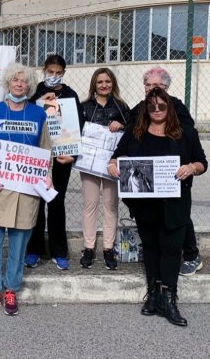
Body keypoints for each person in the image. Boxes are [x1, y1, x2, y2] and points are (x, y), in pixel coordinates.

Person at [109, 87, 207, 327]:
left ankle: (169, 299)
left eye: (162, 106)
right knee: (151, 248)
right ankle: (153, 295)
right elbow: (117, 156)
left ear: (169, 107)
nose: (156, 110)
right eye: (152, 106)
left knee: (172, 249)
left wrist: (191, 168)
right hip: (145, 204)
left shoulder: (186, 134)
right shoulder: (135, 132)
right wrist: (113, 164)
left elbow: (202, 162)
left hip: (175, 204)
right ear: (146, 108)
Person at [0, 63, 52, 316]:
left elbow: (46, 151)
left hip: (25, 192)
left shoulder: (39, 115)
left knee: (19, 245)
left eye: (24, 81)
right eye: (15, 80)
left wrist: (47, 175)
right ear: (8, 83)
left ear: (29, 85)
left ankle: (11, 289)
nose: (19, 84)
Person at [130, 67, 202, 276]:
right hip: (148, 175)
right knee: (154, 217)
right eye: (149, 85)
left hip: (173, 173)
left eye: (158, 85)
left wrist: (187, 166)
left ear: (166, 88)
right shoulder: (139, 108)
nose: (152, 89)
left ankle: (191, 254)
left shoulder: (176, 106)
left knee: (178, 215)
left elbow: (188, 135)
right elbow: (130, 131)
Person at [25, 54, 83, 270]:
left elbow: (78, 126)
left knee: (56, 203)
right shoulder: (34, 92)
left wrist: (73, 155)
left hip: (62, 156)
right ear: (44, 70)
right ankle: (34, 250)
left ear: (64, 73)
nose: (54, 76)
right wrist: (41, 102)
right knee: (36, 202)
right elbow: (27, 118)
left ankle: (60, 252)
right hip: (37, 156)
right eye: (51, 72)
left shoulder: (70, 95)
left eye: (58, 73)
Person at [78, 68, 130, 270]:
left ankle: (109, 248)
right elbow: (73, 130)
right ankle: (88, 248)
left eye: (107, 81)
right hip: (89, 164)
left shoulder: (122, 106)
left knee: (110, 205)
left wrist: (122, 125)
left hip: (111, 164)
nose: (104, 85)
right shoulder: (83, 107)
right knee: (90, 204)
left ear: (113, 83)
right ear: (94, 84)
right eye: (100, 82)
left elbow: (132, 130)